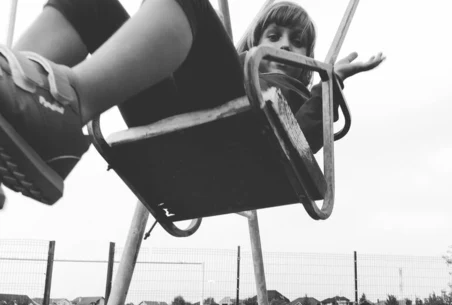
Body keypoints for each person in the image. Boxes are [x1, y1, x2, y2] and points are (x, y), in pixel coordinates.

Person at [0, 0, 385, 208]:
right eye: (274, 35)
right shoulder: (225, 64)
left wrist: (329, 82)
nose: (286, 44)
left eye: (297, 41)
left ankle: (69, 102)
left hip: (241, 141)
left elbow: (302, 143)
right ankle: (12, 93)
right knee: (89, 4)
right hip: (174, 117)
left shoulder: (300, 93)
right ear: (251, 45)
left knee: (191, 3)